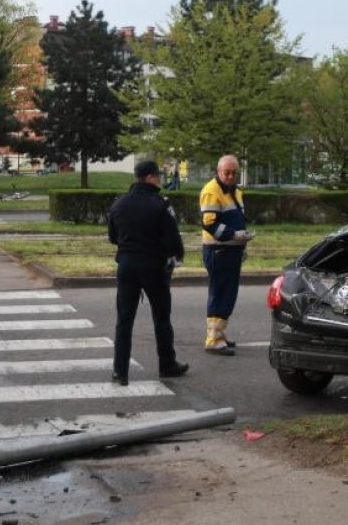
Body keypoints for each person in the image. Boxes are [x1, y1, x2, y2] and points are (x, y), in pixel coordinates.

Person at [107, 159, 189, 386]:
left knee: (124, 320)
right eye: (158, 176)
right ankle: (167, 364)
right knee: (161, 318)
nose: (160, 180)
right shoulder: (161, 204)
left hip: (126, 267)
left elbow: (113, 237)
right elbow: (173, 240)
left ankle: (119, 371)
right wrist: (177, 254)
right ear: (152, 177)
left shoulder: (119, 203)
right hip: (153, 267)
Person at [199, 154, 254, 355]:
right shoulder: (211, 191)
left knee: (228, 294)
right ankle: (213, 340)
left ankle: (219, 336)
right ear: (218, 171)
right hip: (218, 251)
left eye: (233, 173)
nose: (230, 176)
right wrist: (235, 235)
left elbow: (237, 218)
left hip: (230, 250)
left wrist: (242, 242)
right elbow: (209, 223)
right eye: (226, 172)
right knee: (220, 293)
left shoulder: (236, 191)